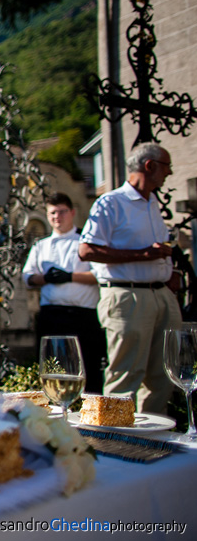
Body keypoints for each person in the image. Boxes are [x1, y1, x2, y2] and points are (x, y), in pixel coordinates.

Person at [79, 142, 182, 413]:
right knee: (126, 375)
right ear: (149, 166)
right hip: (128, 295)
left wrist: (168, 272)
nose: (169, 173)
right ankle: (115, 443)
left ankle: (151, 443)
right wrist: (143, 255)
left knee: (163, 376)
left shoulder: (152, 202)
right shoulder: (111, 202)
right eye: (166, 166)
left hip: (160, 294)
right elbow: (86, 250)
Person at [22, 192, 106, 393]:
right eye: (52, 213)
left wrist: (69, 276)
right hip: (52, 315)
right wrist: (47, 278)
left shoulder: (85, 242)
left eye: (61, 212)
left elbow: (101, 274)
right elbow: (27, 277)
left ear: (72, 212)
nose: (56, 217)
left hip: (83, 316)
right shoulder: (41, 245)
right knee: (54, 370)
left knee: (88, 370)